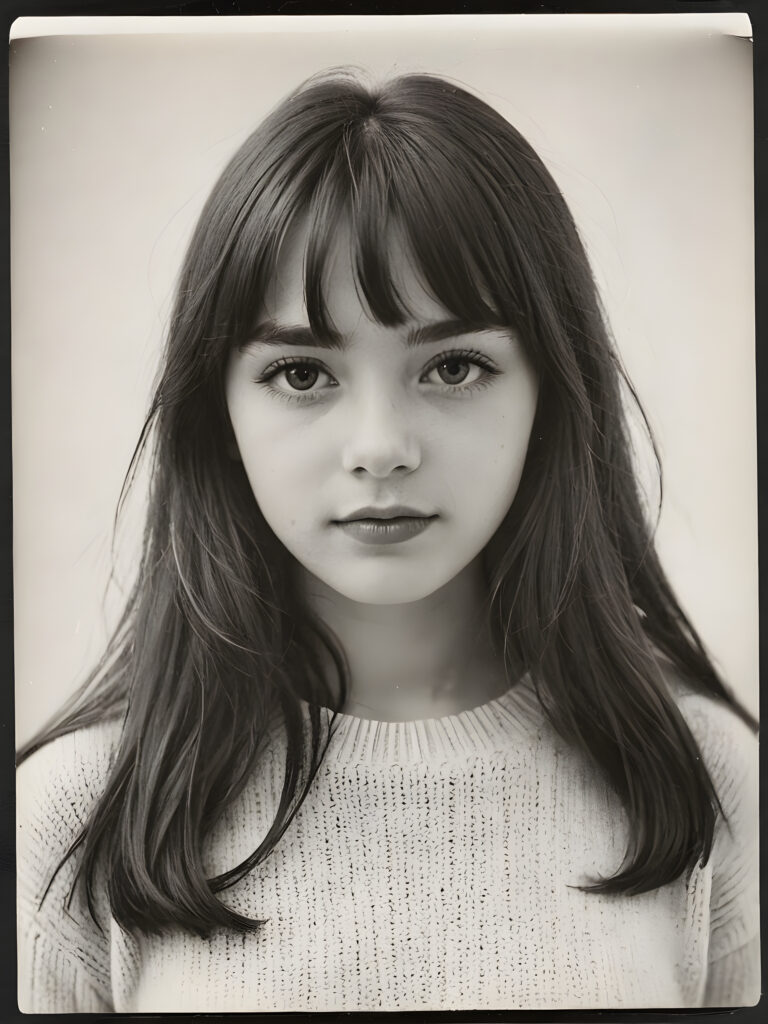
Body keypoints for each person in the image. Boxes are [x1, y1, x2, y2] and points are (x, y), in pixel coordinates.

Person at [16, 70, 759, 1013]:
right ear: (218, 413)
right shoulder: (71, 823)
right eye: (299, 373)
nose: (380, 448)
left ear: (552, 395)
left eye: (454, 366)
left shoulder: (706, 783)